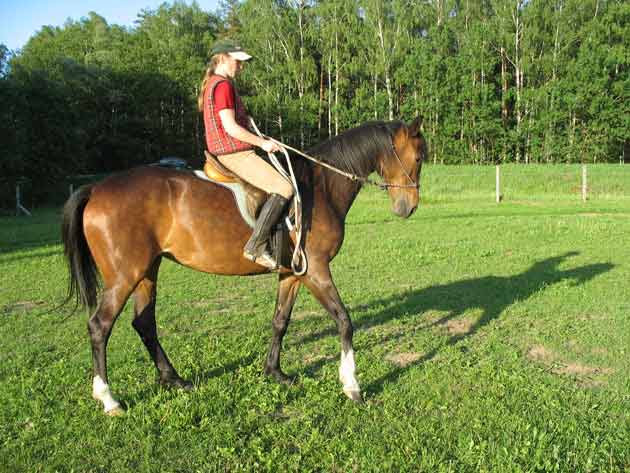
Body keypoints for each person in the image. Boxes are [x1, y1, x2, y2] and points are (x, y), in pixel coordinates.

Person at [198, 39, 294, 269]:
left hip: (226, 151)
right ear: (222, 58)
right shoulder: (223, 86)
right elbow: (230, 128)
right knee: (285, 187)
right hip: (234, 153)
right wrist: (262, 144)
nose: (241, 67)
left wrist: (262, 138)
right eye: (237, 61)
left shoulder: (213, 83)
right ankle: (256, 245)